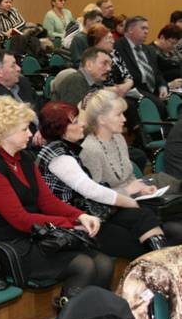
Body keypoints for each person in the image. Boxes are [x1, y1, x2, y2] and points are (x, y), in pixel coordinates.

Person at [0, 96, 113, 307]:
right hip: (8, 244)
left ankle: (95, 317)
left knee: (104, 263)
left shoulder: (24, 158)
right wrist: (70, 225)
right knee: (84, 266)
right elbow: (20, 219)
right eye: (24, 129)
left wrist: (80, 215)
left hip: (35, 235)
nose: (30, 133)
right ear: (5, 132)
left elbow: (47, 201)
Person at [37, 100, 169, 257]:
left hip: (89, 211)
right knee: (136, 241)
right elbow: (91, 190)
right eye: (76, 122)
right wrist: (127, 201)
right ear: (61, 128)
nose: (82, 124)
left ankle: (167, 264)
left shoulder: (64, 149)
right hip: (75, 220)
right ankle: (163, 264)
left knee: (144, 216)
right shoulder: (59, 157)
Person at [80, 90, 182, 245]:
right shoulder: (90, 150)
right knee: (171, 227)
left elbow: (129, 177)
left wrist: (142, 189)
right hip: (112, 212)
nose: (124, 119)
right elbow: (95, 198)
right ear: (102, 119)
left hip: (133, 202)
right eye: (118, 115)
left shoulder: (118, 138)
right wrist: (127, 190)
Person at [0, 50, 41, 136]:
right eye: (13, 66)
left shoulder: (23, 83)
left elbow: (40, 105)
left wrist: (44, 129)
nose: (18, 68)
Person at [114, 16, 168, 115]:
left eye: (147, 28)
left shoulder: (149, 50)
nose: (146, 31)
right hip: (133, 90)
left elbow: (157, 73)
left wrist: (162, 86)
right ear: (130, 29)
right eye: (143, 28)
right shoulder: (117, 47)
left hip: (153, 91)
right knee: (160, 106)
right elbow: (122, 76)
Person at [87, 24, 134, 97]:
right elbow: (90, 88)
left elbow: (128, 75)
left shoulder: (114, 53)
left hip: (124, 92)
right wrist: (116, 89)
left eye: (112, 38)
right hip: (103, 97)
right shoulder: (89, 59)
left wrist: (125, 86)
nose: (113, 41)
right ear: (97, 41)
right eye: (109, 38)